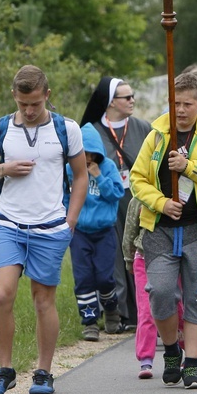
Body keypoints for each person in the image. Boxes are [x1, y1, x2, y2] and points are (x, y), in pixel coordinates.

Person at [0, 65, 88, 394]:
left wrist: (71, 221)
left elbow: (81, 176)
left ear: (47, 95)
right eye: (23, 103)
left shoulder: (67, 128)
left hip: (51, 227)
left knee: (43, 301)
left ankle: (44, 372)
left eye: (35, 103)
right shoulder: (2, 128)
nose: (29, 110)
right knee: (2, 293)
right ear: (14, 96)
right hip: (9, 222)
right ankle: (4, 370)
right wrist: (3, 169)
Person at [130, 72, 197, 389]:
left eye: (188, 104)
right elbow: (137, 180)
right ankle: (171, 350)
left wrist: (188, 167)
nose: (182, 110)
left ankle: (192, 364)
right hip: (159, 231)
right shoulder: (156, 135)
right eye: (176, 104)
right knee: (160, 293)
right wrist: (161, 203)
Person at [81, 77, 152, 330]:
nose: (132, 100)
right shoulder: (92, 131)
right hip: (104, 199)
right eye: (126, 97)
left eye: (132, 96)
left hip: (136, 197)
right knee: (112, 256)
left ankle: (141, 312)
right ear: (111, 101)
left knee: (138, 251)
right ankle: (119, 312)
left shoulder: (142, 127)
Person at [67, 124, 126, 341]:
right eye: (83, 153)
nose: (87, 157)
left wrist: (99, 176)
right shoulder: (69, 170)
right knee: (83, 279)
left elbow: (116, 194)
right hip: (79, 232)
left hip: (104, 232)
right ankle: (90, 322)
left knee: (104, 278)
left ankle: (111, 311)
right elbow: (65, 197)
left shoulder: (108, 167)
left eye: (91, 153)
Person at [122, 196, 185, 379]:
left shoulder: (176, 196)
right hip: (143, 258)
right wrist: (128, 260)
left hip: (172, 258)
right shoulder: (139, 199)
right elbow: (129, 232)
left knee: (177, 307)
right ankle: (145, 358)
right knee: (146, 310)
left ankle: (183, 351)